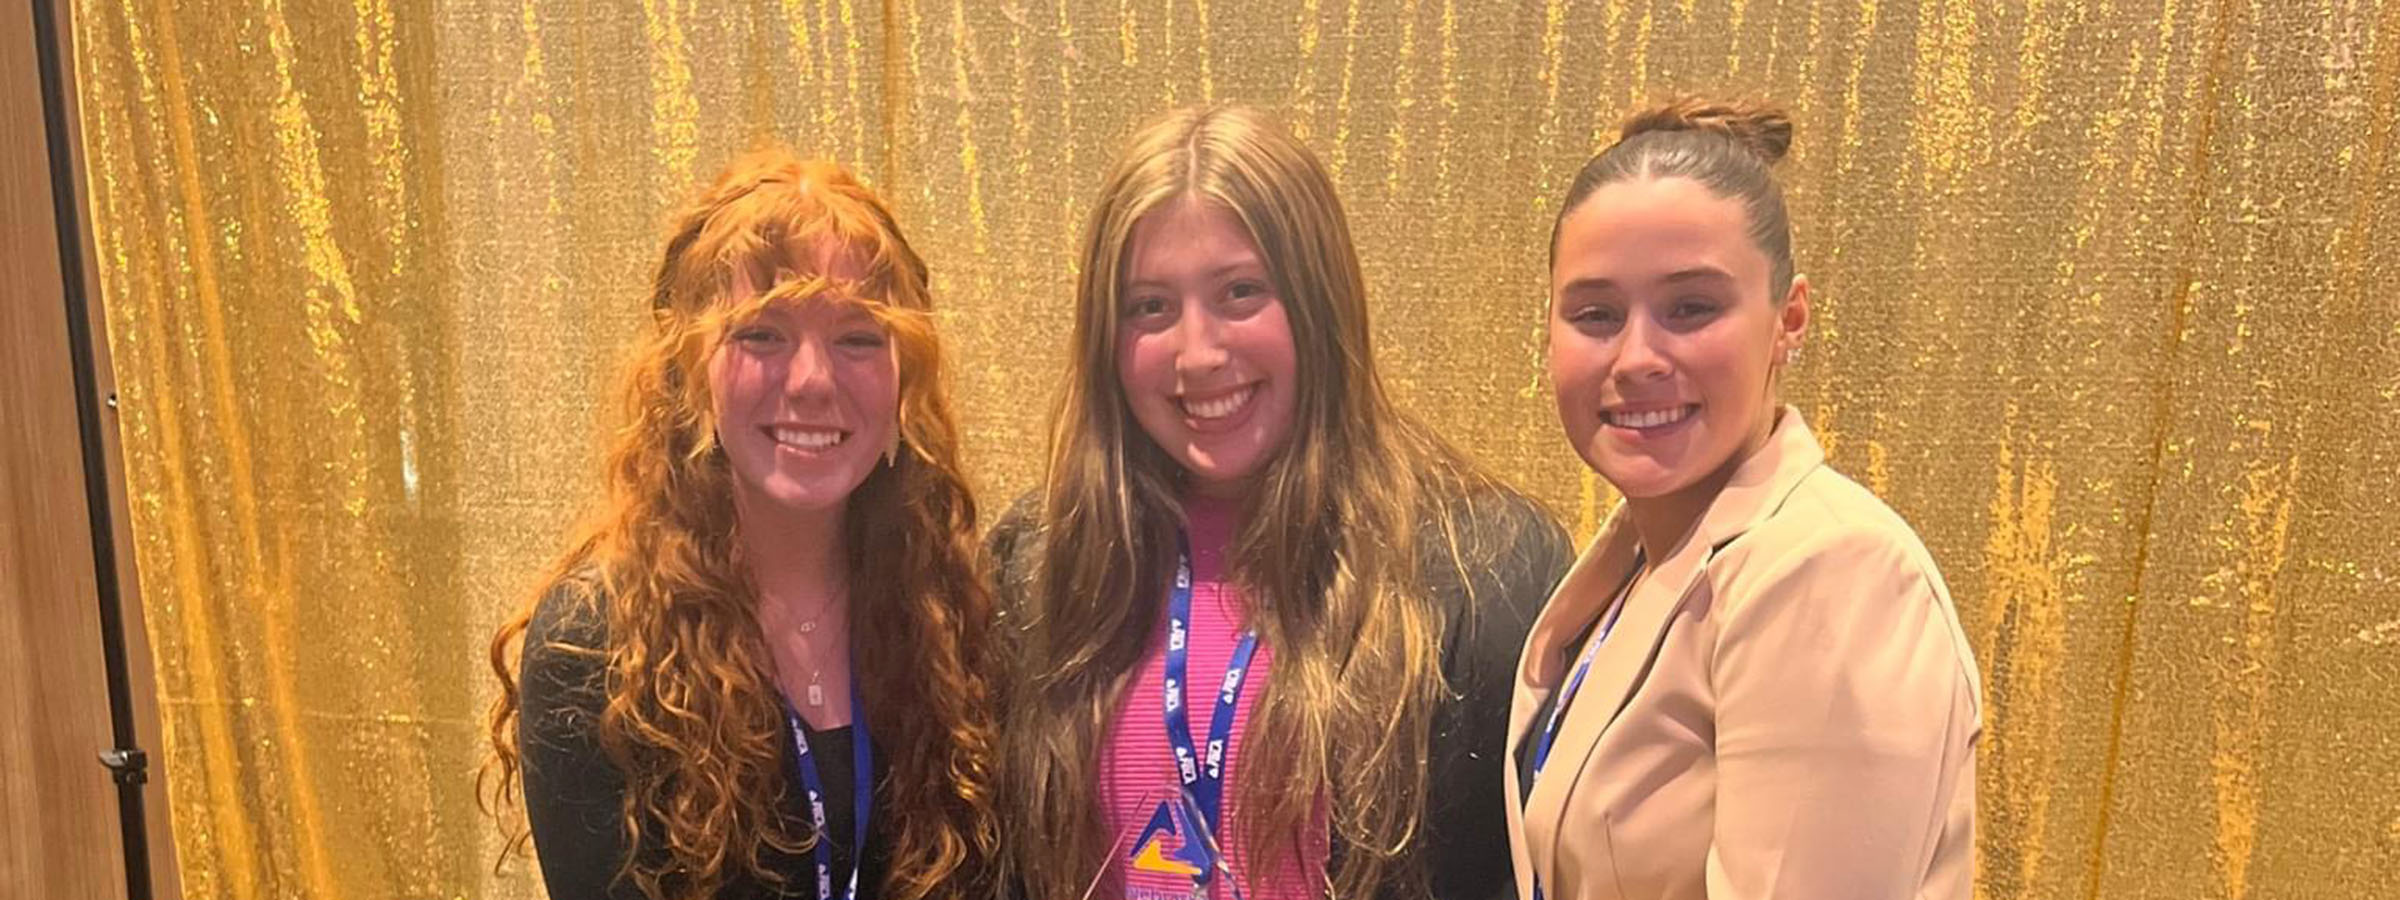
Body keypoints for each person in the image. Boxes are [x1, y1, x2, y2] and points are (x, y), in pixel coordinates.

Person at [990, 104, 1571, 900]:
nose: (1199, 353)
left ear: (1320, 305)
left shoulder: (1487, 573)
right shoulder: (1039, 568)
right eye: (1150, 307)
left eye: (1240, 292)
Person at [482, 149, 998, 900]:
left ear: (905, 379)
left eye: (857, 338)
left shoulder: (953, 619)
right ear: (689, 368)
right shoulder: (596, 642)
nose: (813, 381)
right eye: (762, 334)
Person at [1507, 97, 1982, 900]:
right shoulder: (1642, 560)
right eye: (1596, 314)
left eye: (1691, 307)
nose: (1637, 357)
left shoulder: (1833, 573)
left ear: (1787, 319)